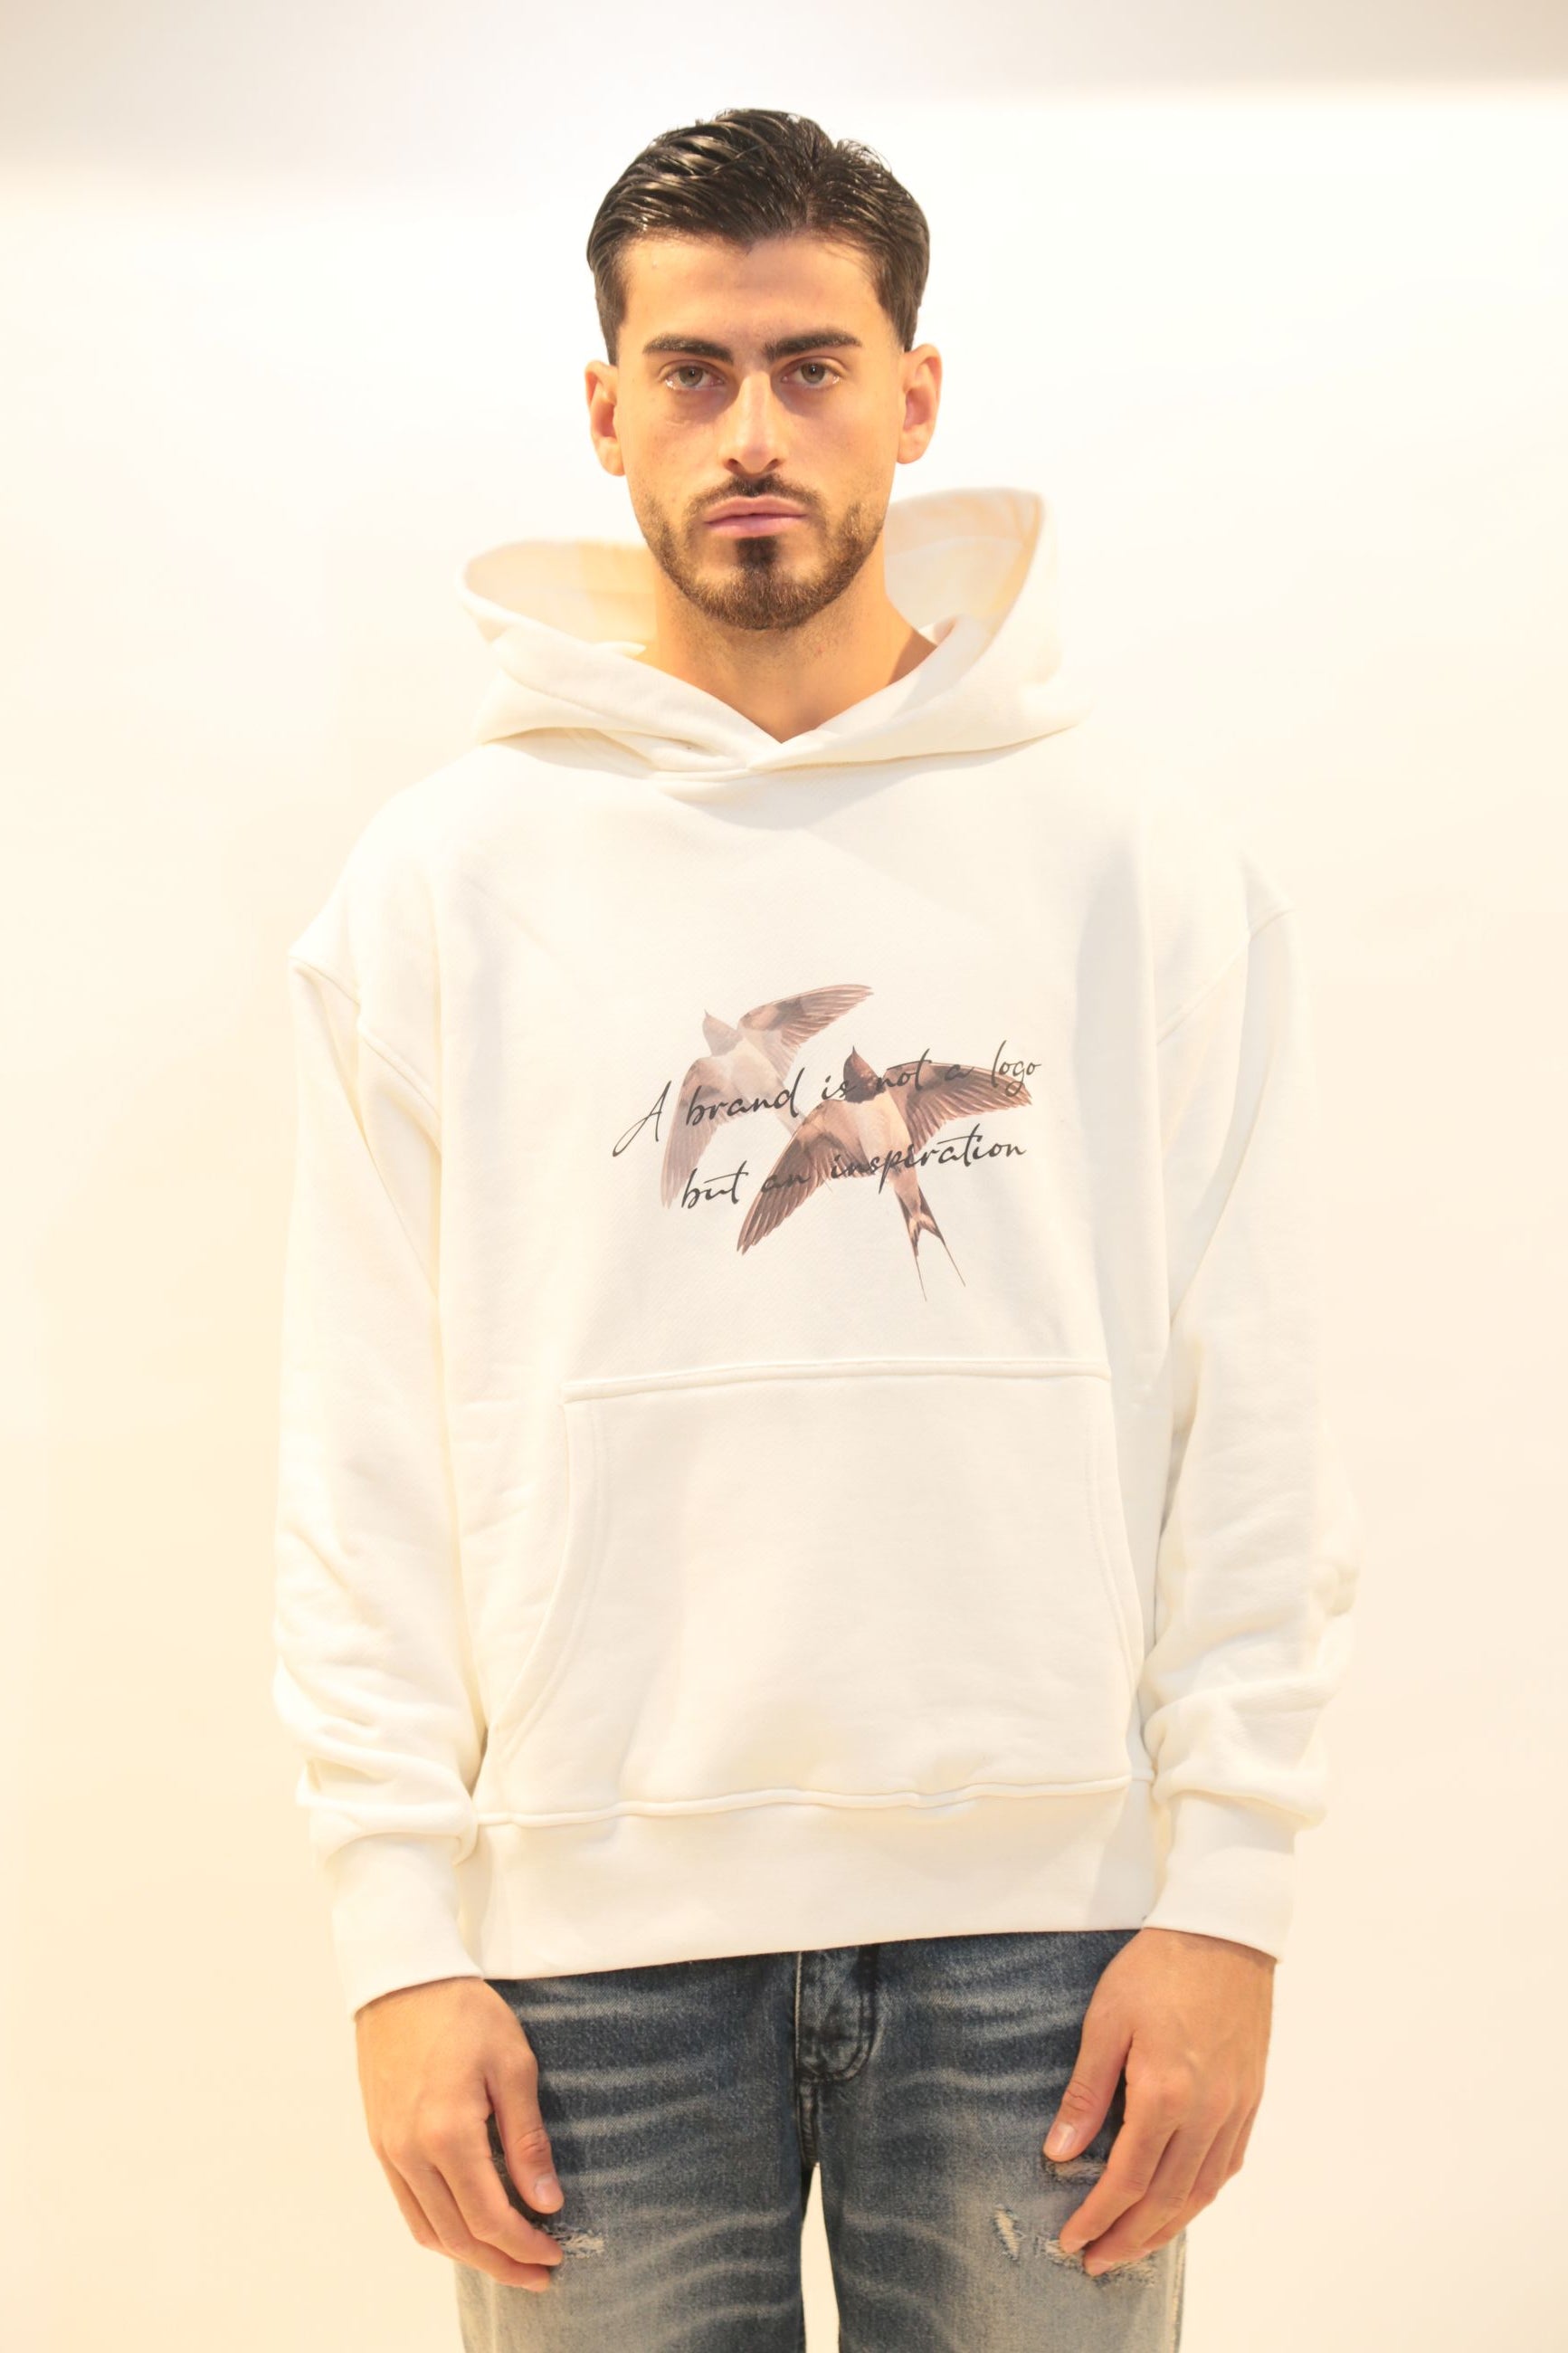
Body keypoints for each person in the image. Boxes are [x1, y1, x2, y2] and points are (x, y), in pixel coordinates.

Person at [271, 106, 1363, 2350]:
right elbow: (356, 1443)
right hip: (582, 1955)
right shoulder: (444, 884)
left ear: (914, 393)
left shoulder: (1133, 862)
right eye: (693, 370)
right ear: (607, 410)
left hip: (1050, 1936)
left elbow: (1251, 1400)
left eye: (810, 366)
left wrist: (1229, 1892)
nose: (751, 429)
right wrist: (396, 1936)